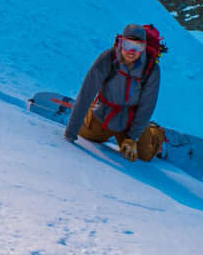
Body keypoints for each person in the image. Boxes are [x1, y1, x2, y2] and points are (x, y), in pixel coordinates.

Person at [63, 23, 166, 161]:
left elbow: (147, 106)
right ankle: (87, 113)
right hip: (103, 114)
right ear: (120, 42)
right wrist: (70, 132)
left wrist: (132, 138)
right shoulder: (108, 58)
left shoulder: (151, 70)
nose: (131, 51)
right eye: (127, 45)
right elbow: (86, 93)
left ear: (144, 48)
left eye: (138, 47)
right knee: (84, 134)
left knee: (144, 155)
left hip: (130, 120)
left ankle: (156, 132)